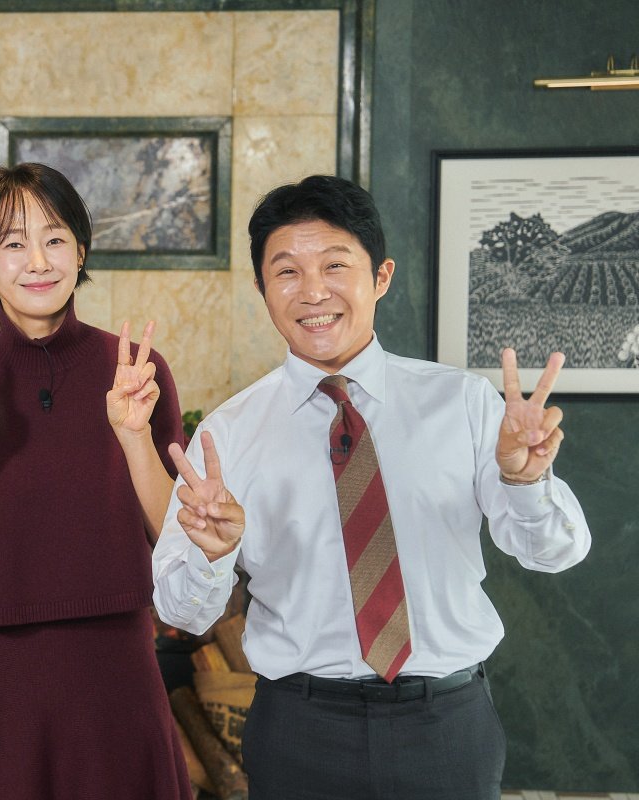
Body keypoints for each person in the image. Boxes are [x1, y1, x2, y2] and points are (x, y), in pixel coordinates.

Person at [152, 174, 591, 800]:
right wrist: (211, 555)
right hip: (299, 729)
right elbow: (179, 611)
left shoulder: (463, 404)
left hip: (447, 725)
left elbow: (556, 553)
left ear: (381, 276)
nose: (313, 292)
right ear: (261, 289)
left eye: (335, 265)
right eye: (287, 272)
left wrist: (526, 481)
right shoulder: (229, 433)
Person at [0, 162, 193, 799]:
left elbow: (173, 535)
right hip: (4, 680)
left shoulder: (137, 373)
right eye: (13, 243)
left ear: (81, 251)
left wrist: (133, 436)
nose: (38, 261)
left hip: (122, 673)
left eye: (56, 238)